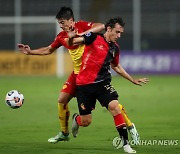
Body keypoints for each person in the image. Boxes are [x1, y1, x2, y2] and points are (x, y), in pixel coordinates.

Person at [18, 6, 139, 144]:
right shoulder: (61, 36)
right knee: (62, 100)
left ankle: (130, 126)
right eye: (59, 23)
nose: (61, 26)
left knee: (112, 103)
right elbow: (48, 50)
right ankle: (64, 133)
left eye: (63, 22)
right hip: (78, 74)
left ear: (71, 20)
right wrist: (30, 52)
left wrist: (82, 35)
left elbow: (100, 26)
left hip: (94, 73)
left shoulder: (81, 26)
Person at [69, 17, 149, 153]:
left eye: (121, 33)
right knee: (86, 121)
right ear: (109, 29)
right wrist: (71, 37)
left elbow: (116, 67)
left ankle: (126, 145)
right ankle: (76, 119)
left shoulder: (115, 48)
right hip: (84, 85)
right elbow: (74, 42)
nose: (119, 36)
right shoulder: (93, 37)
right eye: (117, 32)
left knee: (115, 106)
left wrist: (132, 79)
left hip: (102, 84)